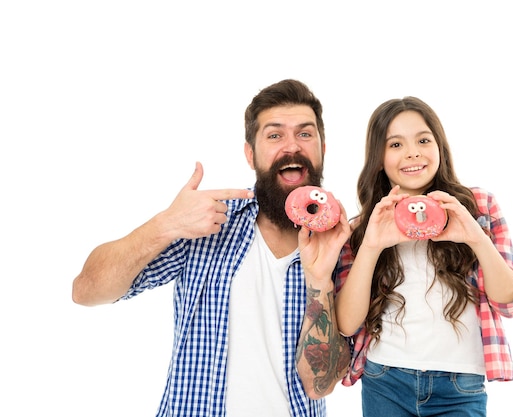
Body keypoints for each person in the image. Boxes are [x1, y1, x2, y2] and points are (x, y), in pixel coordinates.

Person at [72, 79, 352, 417]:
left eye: (305, 134)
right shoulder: (205, 224)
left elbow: (319, 385)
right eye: (275, 135)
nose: (291, 147)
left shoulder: (343, 246)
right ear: (250, 154)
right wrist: (167, 224)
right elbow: (86, 290)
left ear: (323, 149)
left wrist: (320, 279)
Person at [334, 96, 513, 416]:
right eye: (395, 144)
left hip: (460, 385)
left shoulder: (479, 207)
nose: (412, 152)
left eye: (423, 140)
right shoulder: (363, 227)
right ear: (378, 158)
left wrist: (473, 236)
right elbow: (346, 324)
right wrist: (371, 245)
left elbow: (510, 302)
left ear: (440, 148)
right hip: (386, 380)